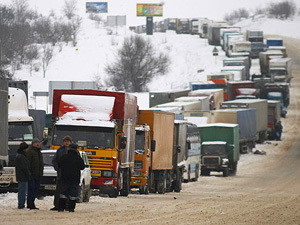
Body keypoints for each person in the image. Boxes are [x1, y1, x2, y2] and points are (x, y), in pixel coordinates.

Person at [58, 143, 85, 212]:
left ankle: (61, 208)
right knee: (73, 194)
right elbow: (82, 167)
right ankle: (71, 208)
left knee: (63, 193)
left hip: (65, 178)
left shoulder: (64, 157)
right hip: (74, 179)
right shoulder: (78, 158)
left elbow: (59, 165)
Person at [50, 136, 72, 211]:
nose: (66, 142)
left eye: (68, 141)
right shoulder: (60, 150)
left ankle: (67, 205)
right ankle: (57, 205)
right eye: (65, 141)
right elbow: (54, 160)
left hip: (69, 175)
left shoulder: (73, 151)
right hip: (61, 174)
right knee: (59, 190)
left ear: (70, 142)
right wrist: (57, 168)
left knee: (68, 191)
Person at [26, 138, 44, 210]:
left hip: (38, 174)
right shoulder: (30, 152)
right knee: (31, 189)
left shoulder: (39, 152)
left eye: (38, 142)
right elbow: (28, 164)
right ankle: (30, 204)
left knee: (35, 190)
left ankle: (32, 203)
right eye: (36, 142)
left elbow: (40, 164)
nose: (37, 144)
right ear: (32, 143)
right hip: (32, 174)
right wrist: (29, 173)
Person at [15, 142, 30, 209]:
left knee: (22, 191)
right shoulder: (21, 157)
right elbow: (24, 168)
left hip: (20, 176)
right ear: (24, 149)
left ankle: (21, 205)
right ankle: (21, 205)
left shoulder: (19, 155)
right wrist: (28, 174)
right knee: (22, 192)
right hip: (23, 177)